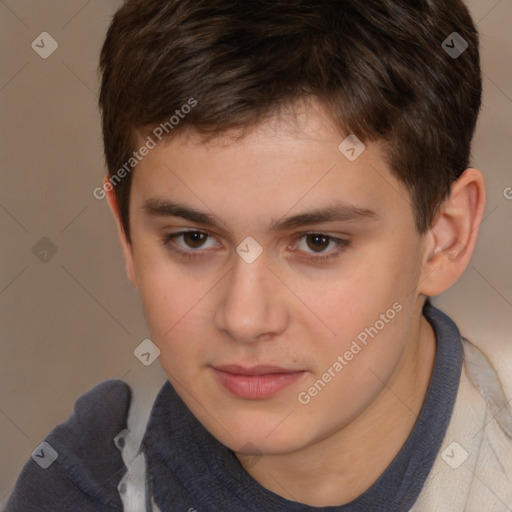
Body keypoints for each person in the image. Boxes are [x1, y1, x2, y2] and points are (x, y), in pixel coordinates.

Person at [6, 0, 512, 510]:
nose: (245, 319)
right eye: (193, 239)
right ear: (126, 233)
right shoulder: (79, 491)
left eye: (318, 242)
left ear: (444, 237)